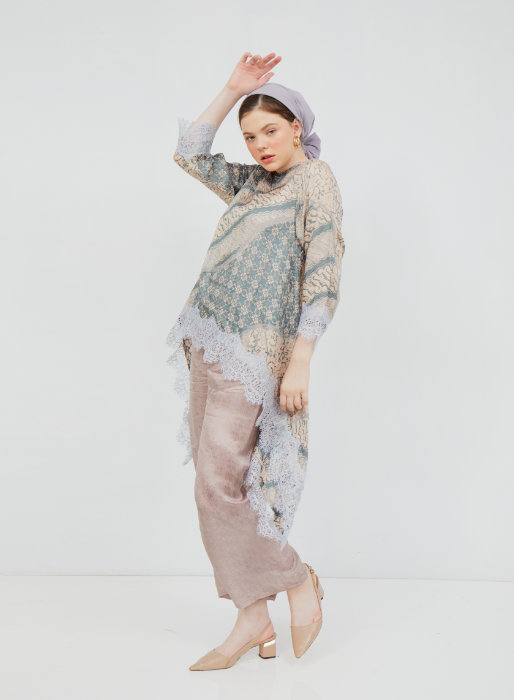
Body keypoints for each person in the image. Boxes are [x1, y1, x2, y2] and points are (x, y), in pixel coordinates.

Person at [165, 51, 345, 671]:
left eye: (270, 130)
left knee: (220, 484)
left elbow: (323, 271)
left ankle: (295, 578)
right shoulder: (250, 183)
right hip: (208, 338)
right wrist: (231, 89)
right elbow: (190, 153)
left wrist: (301, 360)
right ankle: (251, 618)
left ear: (297, 127)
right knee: (213, 486)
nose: (260, 145)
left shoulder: (315, 181)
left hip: (258, 354)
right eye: (249, 136)